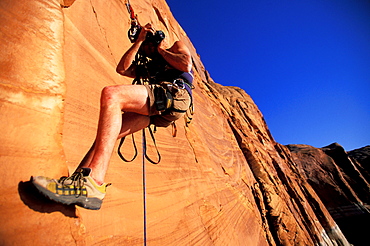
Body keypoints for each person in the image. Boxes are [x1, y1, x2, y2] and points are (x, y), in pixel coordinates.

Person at [32, 23, 193, 210]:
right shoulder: (149, 66)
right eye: (145, 46)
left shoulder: (176, 47)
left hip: (175, 95)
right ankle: (76, 183)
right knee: (108, 134)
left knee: (112, 95)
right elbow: (123, 69)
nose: (148, 49)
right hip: (160, 107)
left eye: (149, 43)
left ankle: (93, 183)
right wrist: (138, 41)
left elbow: (185, 64)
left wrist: (160, 49)